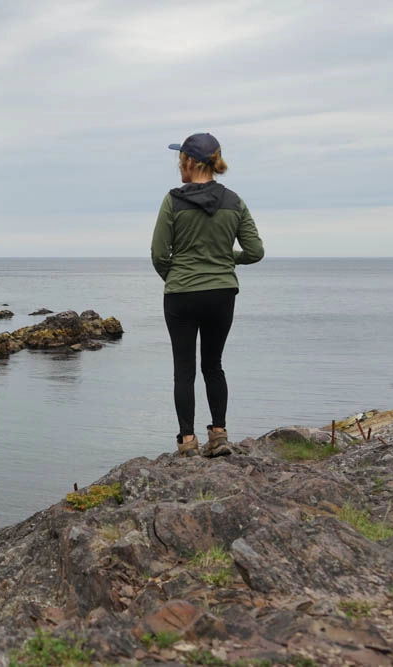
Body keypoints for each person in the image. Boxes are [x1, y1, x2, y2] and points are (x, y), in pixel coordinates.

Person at [151, 132, 264, 458]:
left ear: (189, 162)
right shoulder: (234, 201)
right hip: (221, 294)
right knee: (213, 365)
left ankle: (187, 443)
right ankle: (218, 436)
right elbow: (255, 251)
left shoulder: (173, 201)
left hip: (181, 295)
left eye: (180, 161)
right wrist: (228, 260)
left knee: (183, 370)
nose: (179, 167)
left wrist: (173, 278)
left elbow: (159, 253)